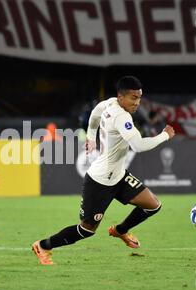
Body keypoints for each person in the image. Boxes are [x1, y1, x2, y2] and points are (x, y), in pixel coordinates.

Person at [32, 76, 175, 265]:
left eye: (139, 98)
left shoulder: (109, 104)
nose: (137, 103)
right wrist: (165, 135)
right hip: (99, 181)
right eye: (133, 98)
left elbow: (95, 113)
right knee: (86, 230)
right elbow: (139, 145)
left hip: (118, 175)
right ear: (121, 97)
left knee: (153, 204)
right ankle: (43, 245)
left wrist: (91, 136)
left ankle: (120, 230)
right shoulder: (121, 116)